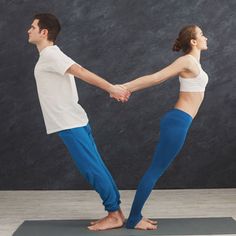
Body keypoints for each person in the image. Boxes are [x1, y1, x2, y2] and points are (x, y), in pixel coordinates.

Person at [27, 13, 130, 231]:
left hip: (69, 122)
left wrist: (111, 88)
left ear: (44, 32)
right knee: (95, 165)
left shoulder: (51, 55)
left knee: (91, 168)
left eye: (33, 27)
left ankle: (113, 214)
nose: (29, 30)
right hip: (71, 120)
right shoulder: (49, 56)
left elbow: (80, 72)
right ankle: (117, 212)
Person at [121, 25, 208, 230]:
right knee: (155, 171)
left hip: (179, 121)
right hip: (177, 122)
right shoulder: (186, 60)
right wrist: (124, 88)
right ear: (193, 41)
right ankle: (133, 219)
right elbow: (156, 78)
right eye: (202, 34)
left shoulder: (193, 62)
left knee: (155, 170)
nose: (206, 38)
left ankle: (136, 215)